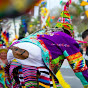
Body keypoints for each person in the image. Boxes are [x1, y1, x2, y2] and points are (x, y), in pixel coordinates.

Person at [5, 1, 88, 88]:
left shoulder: (45, 32)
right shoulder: (67, 38)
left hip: (12, 53)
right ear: (70, 33)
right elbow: (79, 66)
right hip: (34, 56)